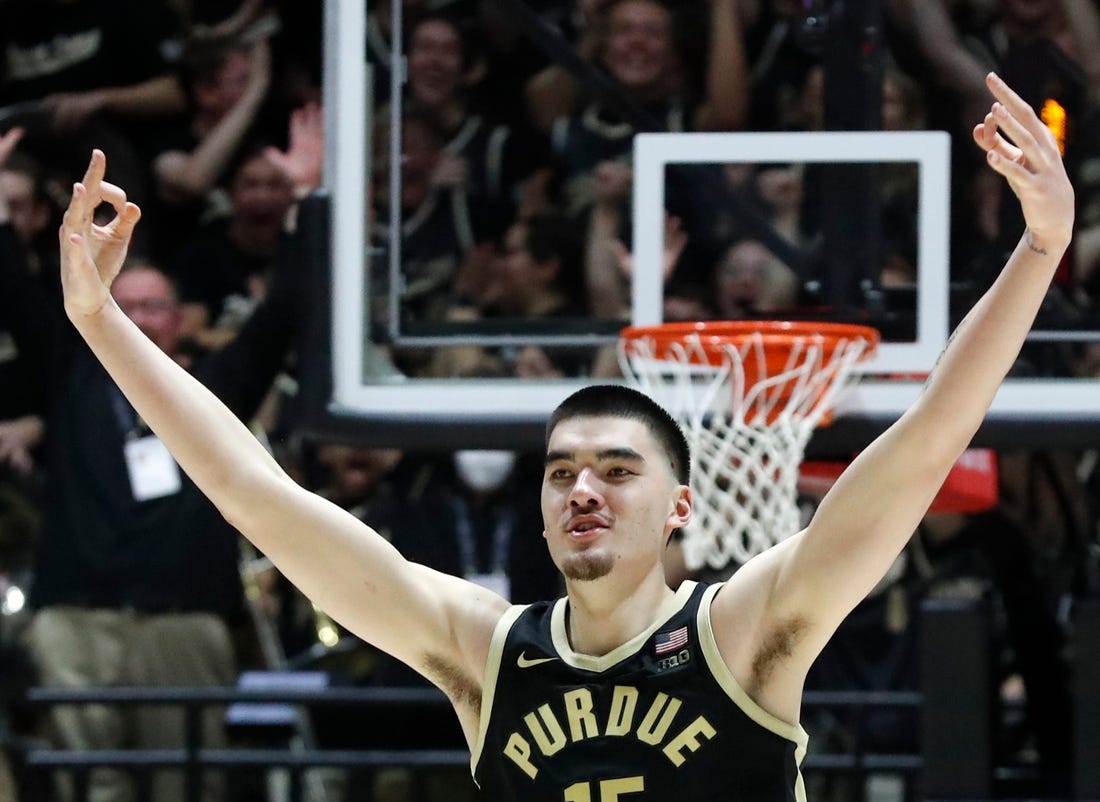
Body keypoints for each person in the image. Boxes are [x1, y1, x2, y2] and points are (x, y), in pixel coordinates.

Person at [56, 72, 1073, 799]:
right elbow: (253, 491)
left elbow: (929, 435)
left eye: (615, 469)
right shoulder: (486, 654)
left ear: (682, 504)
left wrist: (1035, 249)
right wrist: (101, 324)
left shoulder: (743, 632)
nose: (581, 487)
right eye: (561, 472)